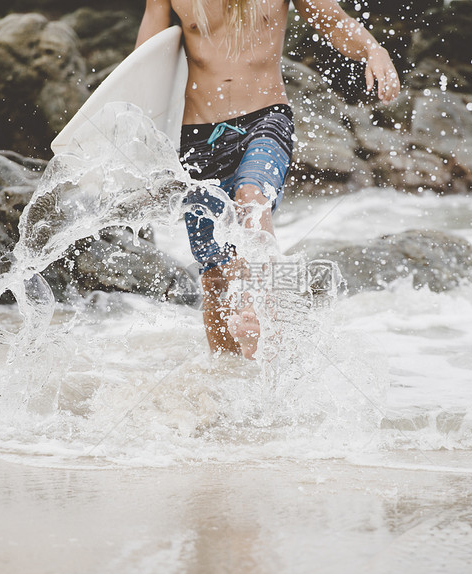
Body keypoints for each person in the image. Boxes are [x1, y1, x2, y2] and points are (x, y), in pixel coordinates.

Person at [137, 0, 400, 359]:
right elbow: (144, 64)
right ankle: (229, 379)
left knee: (252, 195)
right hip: (197, 137)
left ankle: (263, 311)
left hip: (266, 119)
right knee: (215, 274)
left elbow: (331, 22)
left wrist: (373, 49)